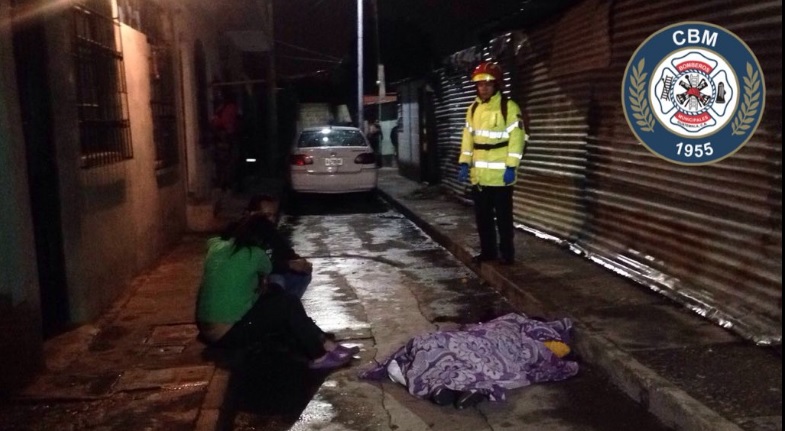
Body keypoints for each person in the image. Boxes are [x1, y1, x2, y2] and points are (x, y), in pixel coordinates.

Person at [195, 213, 357, 370]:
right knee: (287, 303)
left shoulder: (216, 246)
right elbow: (272, 270)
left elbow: (215, 241)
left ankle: (326, 344)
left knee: (278, 301)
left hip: (207, 330)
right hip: (228, 334)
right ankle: (319, 356)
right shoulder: (256, 254)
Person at [359, 313, 579, 409]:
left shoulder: (520, 322)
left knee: (438, 346)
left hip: (486, 341)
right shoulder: (514, 320)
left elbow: (479, 330)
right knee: (455, 351)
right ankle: (464, 388)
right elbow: (553, 353)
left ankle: (447, 386)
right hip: (486, 341)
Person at [457, 61, 526, 265]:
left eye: (488, 83)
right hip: (479, 176)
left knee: (504, 219)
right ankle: (488, 252)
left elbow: (517, 138)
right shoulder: (473, 109)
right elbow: (468, 137)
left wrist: (512, 166)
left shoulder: (509, 107)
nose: (484, 87)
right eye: (480, 84)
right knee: (482, 218)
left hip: (501, 176)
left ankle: (507, 254)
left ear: (496, 85)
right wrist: (464, 162)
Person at [243, 193, 313, 299]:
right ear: (250, 214)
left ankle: (287, 308)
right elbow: (254, 267)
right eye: (266, 215)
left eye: (273, 215)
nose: (271, 220)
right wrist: (288, 265)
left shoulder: (270, 231)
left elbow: (285, 251)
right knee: (276, 280)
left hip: (270, 271)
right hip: (250, 280)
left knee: (302, 274)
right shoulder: (244, 233)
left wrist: (300, 262)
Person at [210, 91, 240, 191]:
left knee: (224, 162)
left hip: (226, 135)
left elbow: (224, 121)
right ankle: (225, 183)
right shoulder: (228, 107)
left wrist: (216, 121)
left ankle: (224, 183)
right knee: (224, 161)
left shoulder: (229, 107)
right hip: (225, 135)